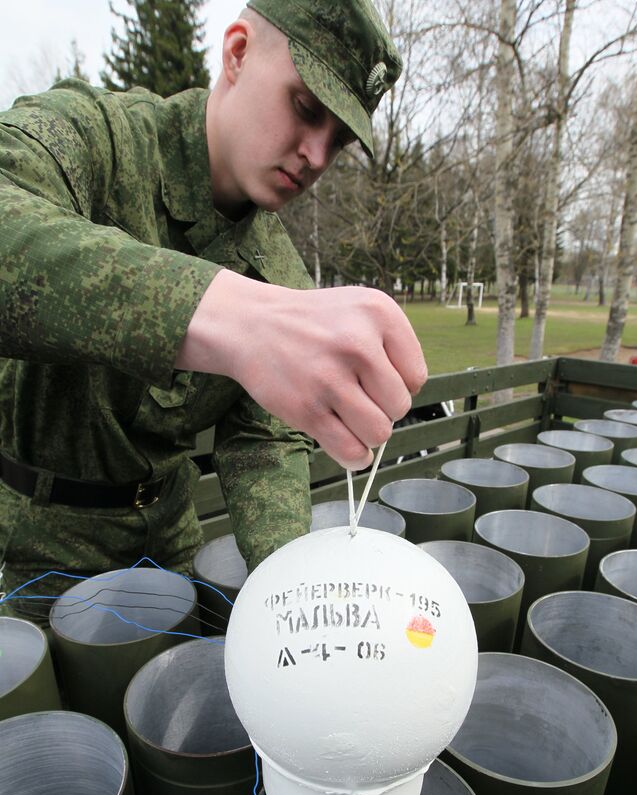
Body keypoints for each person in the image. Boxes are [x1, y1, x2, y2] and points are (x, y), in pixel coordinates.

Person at [0, 0, 427, 619]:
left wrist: (295, 605)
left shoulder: (281, 277)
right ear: (237, 52)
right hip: (36, 544)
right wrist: (231, 317)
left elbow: (265, 446)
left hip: (169, 545)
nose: (315, 155)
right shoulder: (101, 140)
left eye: (338, 141)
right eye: (306, 108)